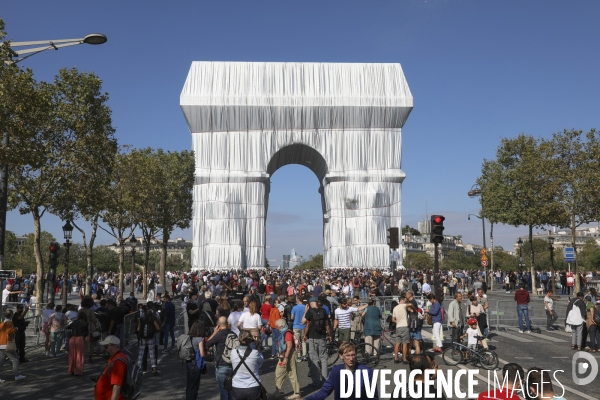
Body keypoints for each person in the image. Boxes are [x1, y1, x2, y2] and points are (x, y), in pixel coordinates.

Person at [305, 342, 379, 400]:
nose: (351, 358)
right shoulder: (336, 371)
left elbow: (373, 397)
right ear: (341, 356)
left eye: (353, 355)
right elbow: (323, 393)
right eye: (347, 355)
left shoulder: (367, 372)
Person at [304, 298, 332, 386]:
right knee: (323, 358)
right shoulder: (323, 311)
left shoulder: (310, 312)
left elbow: (307, 324)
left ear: (311, 303)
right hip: (322, 336)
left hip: (312, 337)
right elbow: (327, 325)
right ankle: (325, 378)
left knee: (314, 358)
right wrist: (330, 335)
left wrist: (305, 335)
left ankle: (316, 381)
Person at [230, 330, 264, 400]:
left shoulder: (233, 353)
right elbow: (261, 360)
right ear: (250, 340)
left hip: (237, 387)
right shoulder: (255, 353)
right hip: (253, 386)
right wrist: (257, 344)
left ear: (239, 339)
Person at [206, 317, 234, 400]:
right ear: (227, 323)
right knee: (230, 390)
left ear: (218, 325)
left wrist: (214, 333)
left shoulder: (218, 335)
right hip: (232, 364)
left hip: (221, 364)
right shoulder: (233, 334)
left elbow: (207, 344)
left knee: (223, 390)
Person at [94, 335, 128, 400]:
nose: (104, 349)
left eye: (106, 346)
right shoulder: (115, 359)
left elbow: (117, 386)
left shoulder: (118, 361)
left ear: (114, 346)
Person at [274, 318, 301, 399]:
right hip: (283, 355)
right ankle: (277, 392)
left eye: (278, 327)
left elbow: (289, 346)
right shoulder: (283, 332)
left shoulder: (287, 333)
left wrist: (286, 358)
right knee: (278, 372)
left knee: (292, 373)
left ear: (281, 326)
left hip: (289, 355)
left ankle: (297, 393)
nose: (277, 328)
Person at [0, 309, 26, 383]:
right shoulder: (9, 322)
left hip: (1, 344)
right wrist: (16, 328)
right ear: (11, 315)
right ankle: (17, 375)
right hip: (7, 344)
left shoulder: (2, 323)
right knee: (15, 359)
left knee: (1, 361)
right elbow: (9, 331)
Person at [136, 304, 161, 375]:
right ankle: (154, 369)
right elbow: (158, 328)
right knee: (152, 354)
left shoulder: (142, 319)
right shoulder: (152, 319)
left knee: (141, 354)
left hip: (143, 338)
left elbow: (138, 329)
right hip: (151, 338)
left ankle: (139, 369)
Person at [186, 320, 207, 400]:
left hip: (188, 362)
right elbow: (202, 354)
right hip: (196, 364)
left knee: (189, 384)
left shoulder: (189, 337)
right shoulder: (200, 339)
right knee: (195, 384)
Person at [68, 311, 89, 376]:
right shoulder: (86, 323)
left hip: (73, 338)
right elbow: (87, 332)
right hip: (80, 338)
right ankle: (78, 370)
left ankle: (72, 369)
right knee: (79, 354)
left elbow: (68, 327)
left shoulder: (75, 322)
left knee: (72, 354)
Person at [392, 297, 410, 364]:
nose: (405, 301)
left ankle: (396, 358)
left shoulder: (394, 308)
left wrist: (398, 321)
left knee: (397, 344)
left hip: (398, 327)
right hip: (404, 326)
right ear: (401, 300)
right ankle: (404, 359)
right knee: (405, 344)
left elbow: (393, 319)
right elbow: (410, 305)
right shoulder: (402, 305)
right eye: (404, 300)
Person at [290, 295, 307, 361]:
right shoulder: (305, 307)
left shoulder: (294, 307)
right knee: (303, 341)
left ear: (298, 300)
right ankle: (304, 355)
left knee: (297, 341)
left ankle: (299, 355)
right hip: (303, 325)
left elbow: (292, 317)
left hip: (296, 325)